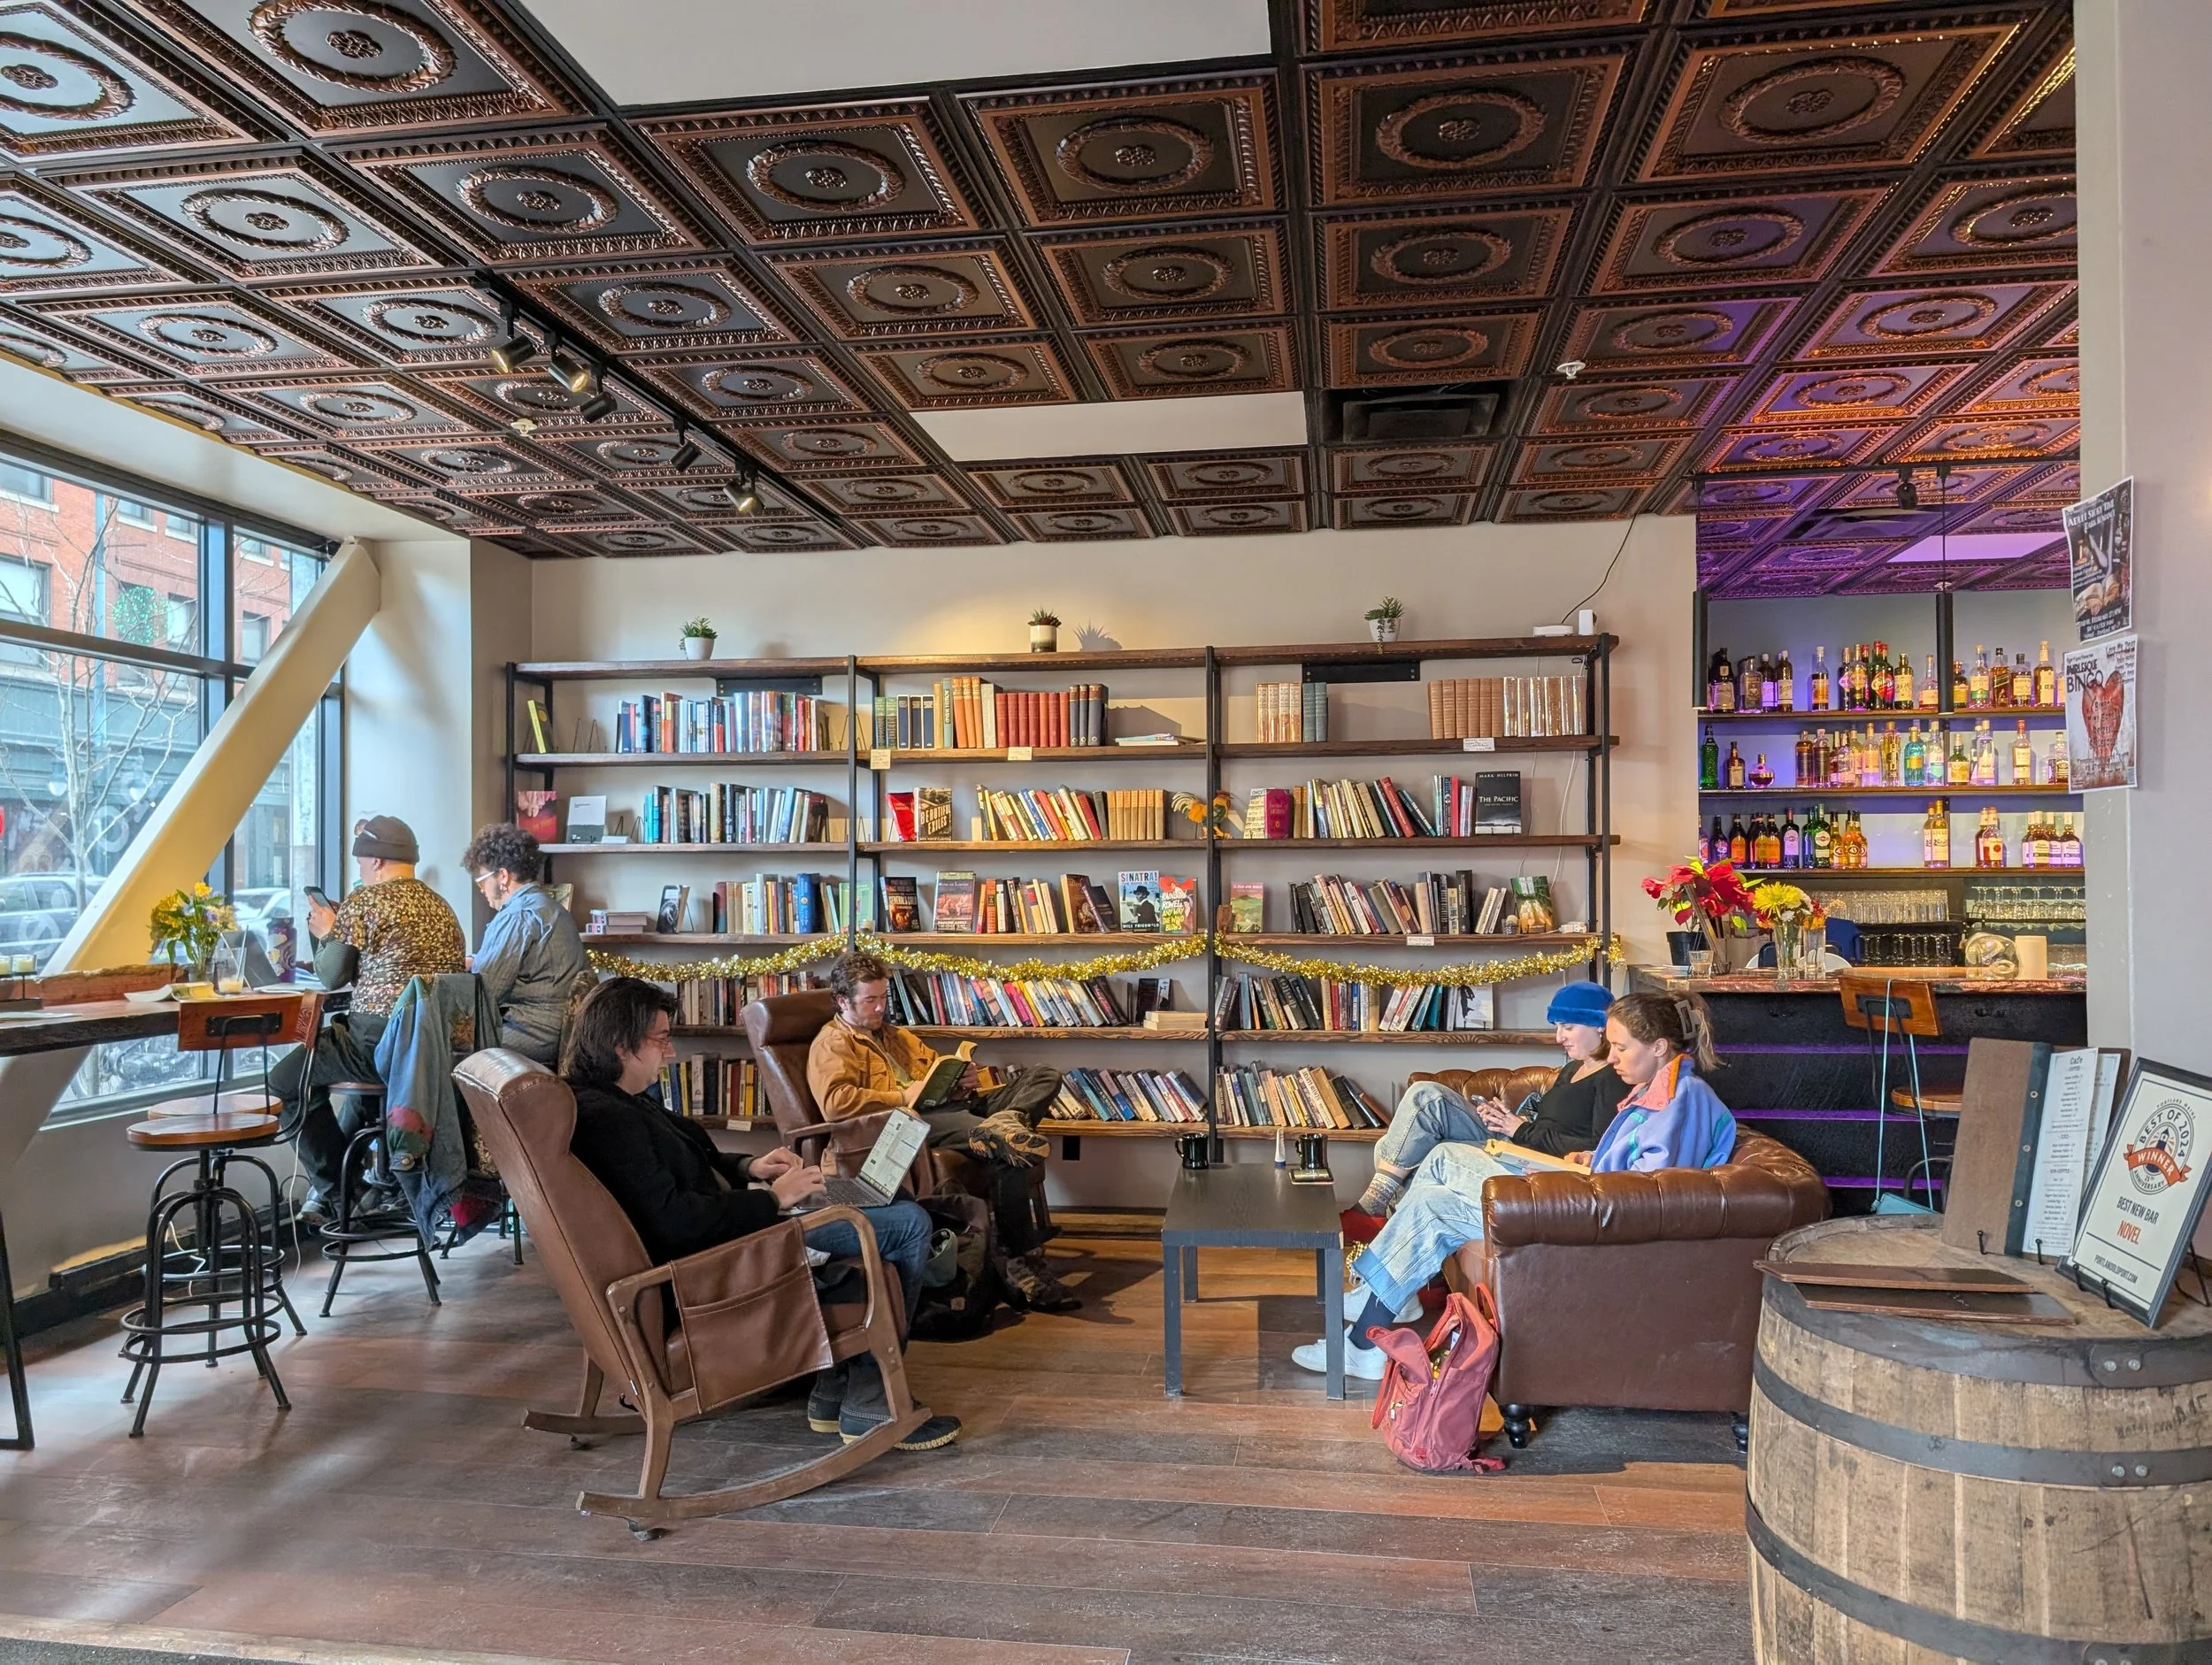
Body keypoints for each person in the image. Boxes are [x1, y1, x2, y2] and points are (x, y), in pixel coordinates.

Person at [564, 978, 958, 1452]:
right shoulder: (611, 1121)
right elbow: (677, 1221)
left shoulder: (616, 1100)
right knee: (909, 1226)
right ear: (621, 1045)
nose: (670, 1053)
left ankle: (833, 1391)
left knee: (884, 1207)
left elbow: (687, 1154)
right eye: (662, 1038)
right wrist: (775, 1200)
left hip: (732, 1237)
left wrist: (751, 1166)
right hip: (723, 1262)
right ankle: (872, 1397)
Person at [1294, 989, 1736, 1381]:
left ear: (1659, 1047)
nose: (1612, 1057)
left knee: (1445, 1159)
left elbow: (1656, 1195)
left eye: (1620, 1047)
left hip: (1591, 1217)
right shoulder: (1658, 1090)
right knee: (1431, 1201)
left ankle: (1374, 1314)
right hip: (1588, 1201)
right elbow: (1639, 1168)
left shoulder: (1683, 1098)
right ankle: (1369, 1339)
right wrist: (1591, 1160)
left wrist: (1581, 1176)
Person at [806, 950, 1079, 1313]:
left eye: (883, 998)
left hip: (949, 1109)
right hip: (906, 1123)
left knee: (1043, 1076)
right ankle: (1020, 1261)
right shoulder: (832, 1044)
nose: (879, 1008)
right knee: (1009, 1155)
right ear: (843, 1001)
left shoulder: (897, 1036)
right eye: (870, 1000)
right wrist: (903, 1095)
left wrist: (965, 1079)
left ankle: (1005, 1124)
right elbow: (836, 1103)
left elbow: (937, 1070)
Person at [275, 815, 466, 1218]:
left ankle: (338, 1193)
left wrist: (327, 929)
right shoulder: (441, 906)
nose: (360, 870)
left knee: (286, 1082)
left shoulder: (366, 900)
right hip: (431, 1047)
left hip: (378, 1041)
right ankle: (362, 1191)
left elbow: (330, 975)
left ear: (377, 861)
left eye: (361, 862)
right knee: (362, 1096)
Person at [1353, 981, 1624, 1216]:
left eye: (1567, 1027)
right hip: (1518, 1140)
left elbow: (1598, 1146)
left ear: (1599, 1025)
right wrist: (1511, 1117)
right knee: (1400, 1134)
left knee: (1425, 1105)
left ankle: (1373, 1212)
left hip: (1534, 1159)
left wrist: (1520, 1130)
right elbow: (1553, 1120)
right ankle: (1384, 1216)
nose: (1558, 1037)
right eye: (1557, 1027)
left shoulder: (1613, 1077)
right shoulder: (1573, 1067)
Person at [461, 823, 590, 1064]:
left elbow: (485, 992)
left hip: (531, 1034)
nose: (481, 890)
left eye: (481, 882)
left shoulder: (517, 915)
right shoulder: (550, 907)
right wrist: (476, 960)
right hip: (558, 1031)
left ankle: (427, 1104)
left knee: (443, 1041)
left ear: (502, 876)